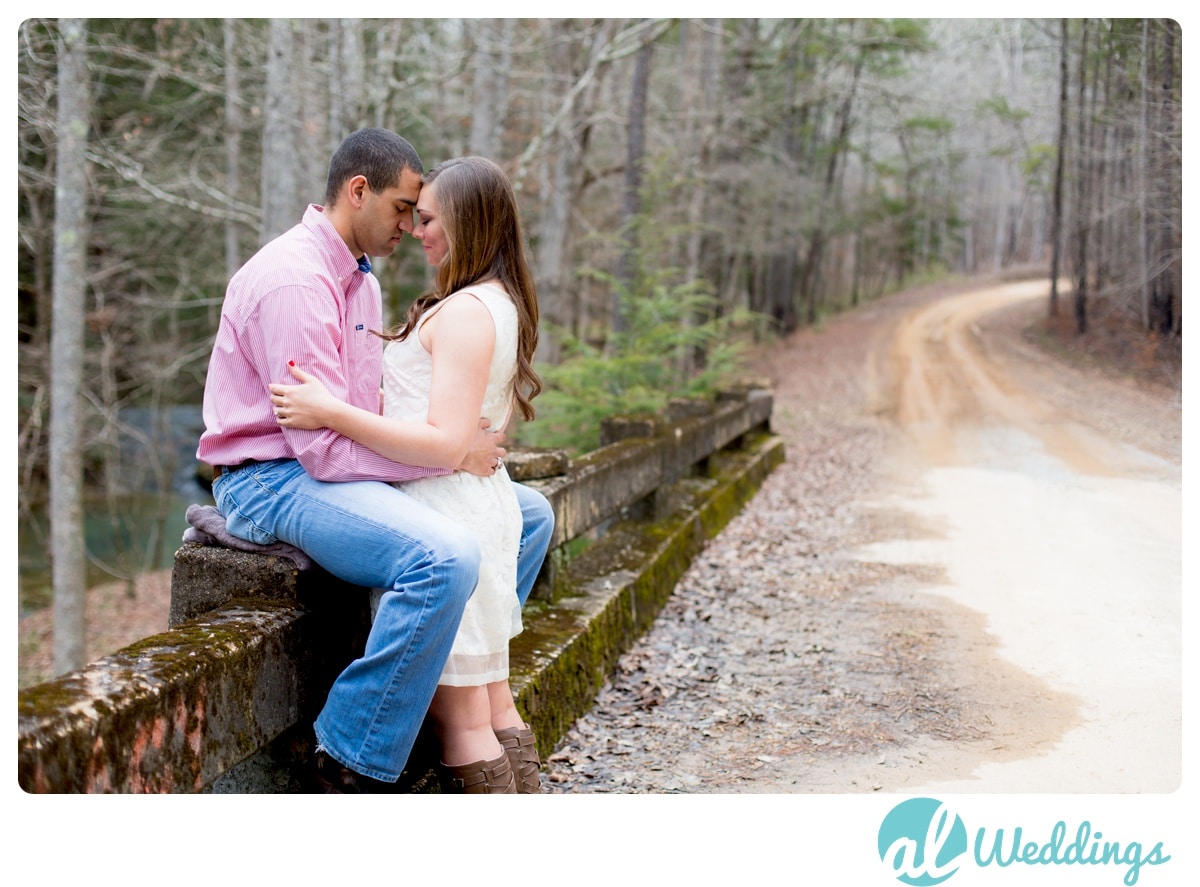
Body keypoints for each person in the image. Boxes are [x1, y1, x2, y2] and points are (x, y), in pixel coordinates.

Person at [196, 129, 554, 793]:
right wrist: (448, 455)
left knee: (524, 514)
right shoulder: (294, 282)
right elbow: (323, 447)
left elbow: (370, 406)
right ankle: (351, 754)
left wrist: (459, 441)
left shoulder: (361, 282)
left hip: (329, 466)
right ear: (357, 191)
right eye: (400, 208)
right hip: (274, 479)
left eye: (419, 214)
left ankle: (444, 688)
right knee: (446, 554)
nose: (409, 226)